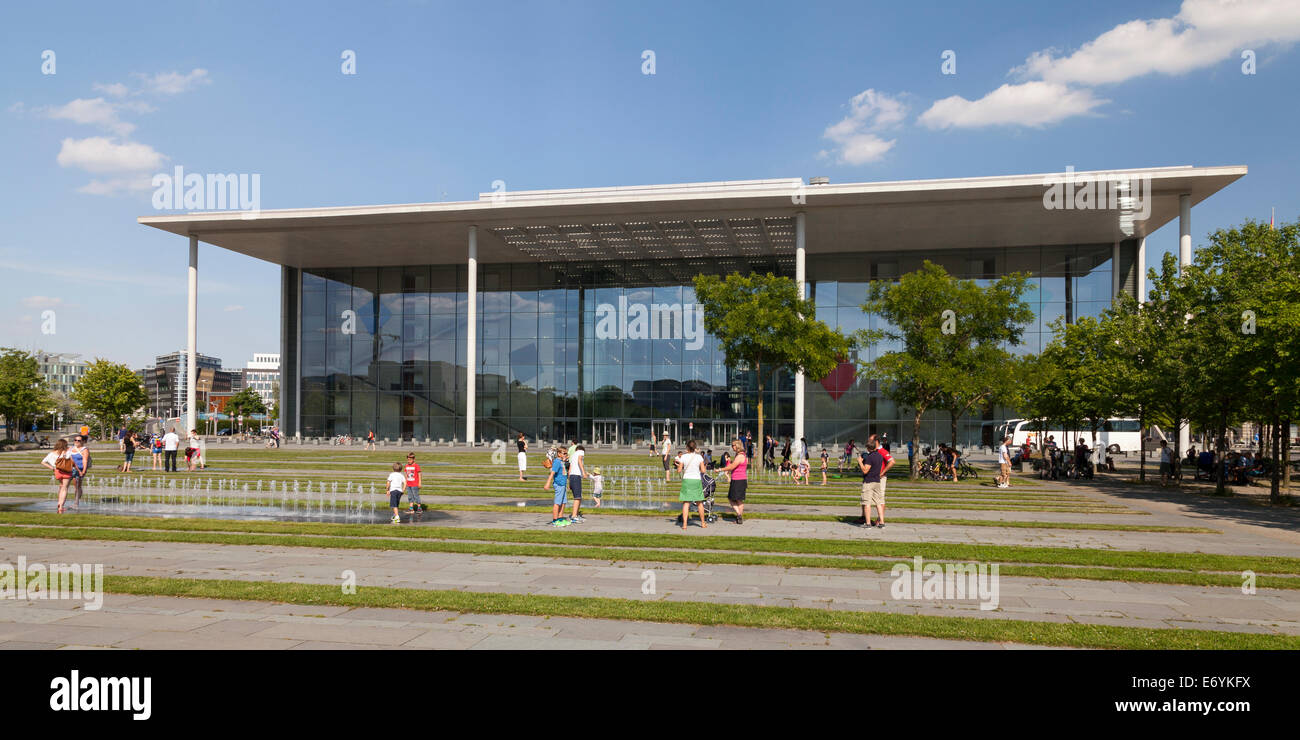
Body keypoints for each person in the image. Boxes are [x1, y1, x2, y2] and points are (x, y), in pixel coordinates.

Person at [676, 439, 708, 531]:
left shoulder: (683, 457)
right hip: (696, 480)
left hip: (687, 480)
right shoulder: (699, 457)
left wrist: (678, 465)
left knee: (686, 503)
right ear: (695, 448)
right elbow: (703, 471)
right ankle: (702, 523)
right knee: (699, 503)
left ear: (687, 447)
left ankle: (685, 525)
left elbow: (679, 470)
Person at [41, 439, 75, 514]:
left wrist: (52, 468)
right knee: (65, 488)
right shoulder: (66, 453)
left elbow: (43, 462)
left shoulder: (51, 453)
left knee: (61, 486)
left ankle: (59, 502)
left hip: (57, 471)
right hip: (66, 471)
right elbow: (72, 460)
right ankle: (61, 506)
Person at [721, 439, 748, 524]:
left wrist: (721, 469)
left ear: (737, 446)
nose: (732, 447)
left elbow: (732, 466)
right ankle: (739, 517)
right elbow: (734, 466)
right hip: (738, 479)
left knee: (734, 499)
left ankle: (739, 516)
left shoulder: (740, 456)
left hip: (738, 480)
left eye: (733, 445)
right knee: (736, 499)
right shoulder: (739, 455)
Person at [858, 441, 885, 528]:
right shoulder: (880, 456)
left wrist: (860, 462)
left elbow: (865, 470)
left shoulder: (870, 457)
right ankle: (882, 522)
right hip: (877, 481)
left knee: (867, 502)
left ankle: (868, 523)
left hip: (869, 481)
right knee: (878, 502)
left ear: (868, 448)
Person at [544, 447, 571, 527]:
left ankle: (560, 518)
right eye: (564, 453)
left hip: (563, 484)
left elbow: (565, 472)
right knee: (557, 503)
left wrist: (568, 483)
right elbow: (552, 473)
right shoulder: (557, 462)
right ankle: (555, 520)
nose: (566, 455)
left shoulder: (562, 461)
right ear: (559, 454)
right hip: (559, 485)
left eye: (566, 453)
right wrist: (547, 483)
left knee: (563, 502)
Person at [68, 434, 91, 510]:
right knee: (65, 485)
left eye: (78, 440)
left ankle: (76, 503)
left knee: (77, 486)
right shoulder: (71, 448)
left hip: (80, 470)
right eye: (75, 440)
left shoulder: (84, 450)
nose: (76, 442)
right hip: (70, 469)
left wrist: (84, 470)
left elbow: (85, 460)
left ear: (82, 442)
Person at [870, 433, 895, 502]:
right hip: (872, 478)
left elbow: (892, 462)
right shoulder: (872, 451)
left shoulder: (881, 450)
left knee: (880, 500)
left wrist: (882, 473)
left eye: (871, 441)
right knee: (871, 500)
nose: (869, 442)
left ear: (876, 441)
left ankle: (881, 513)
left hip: (880, 478)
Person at [567, 443, 587, 523]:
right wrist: (584, 472)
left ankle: (576, 515)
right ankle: (574, 516)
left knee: (579, 497)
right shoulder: (580, 451)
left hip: (572, 476)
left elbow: (570, 470)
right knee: (577, 497)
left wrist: (569, 483)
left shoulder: (573, 455)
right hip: (576, 476)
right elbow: (579, 461)